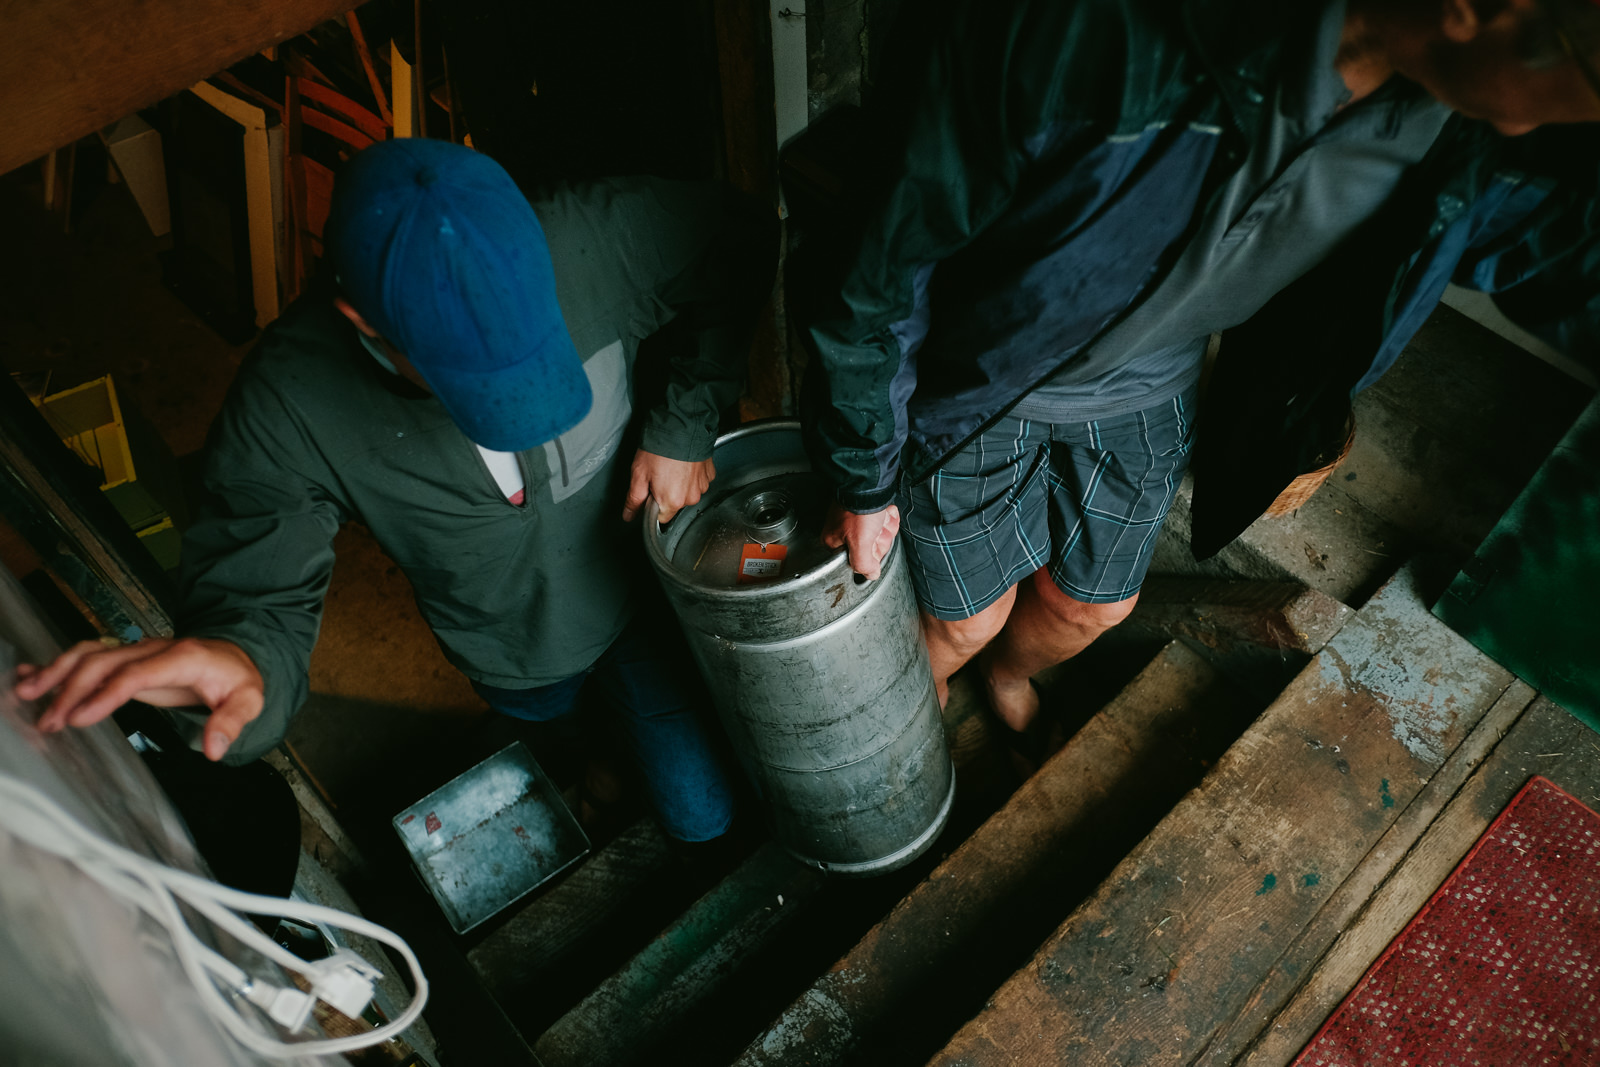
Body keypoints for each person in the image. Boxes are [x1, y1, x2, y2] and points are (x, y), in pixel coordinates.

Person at [800, 0, 1600, 745]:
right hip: (975, 385)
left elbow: (1571, 263)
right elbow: (880, 273)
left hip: (1152, 380)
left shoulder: (1471, 142)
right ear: (1479, 11)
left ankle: (1006, 673)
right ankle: (913, 723)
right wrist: (863, 477)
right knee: (964, 620)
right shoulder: (1082, 36)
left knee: (1095, 606)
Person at [16, 138, 777, 846]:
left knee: (702, 816)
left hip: (640, 594)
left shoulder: (600, 231)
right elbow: (260, 583)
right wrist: (244, 655)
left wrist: (682, 424)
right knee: (564, 727)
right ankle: (597, 761)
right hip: (515, 652)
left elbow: (740, 240)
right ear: (362, 321)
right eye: (478, 382)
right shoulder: (290, 401)